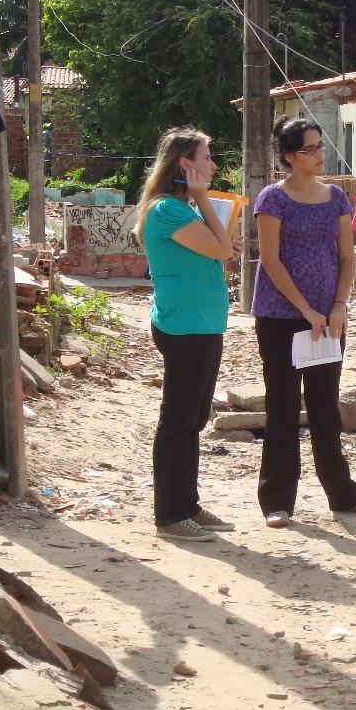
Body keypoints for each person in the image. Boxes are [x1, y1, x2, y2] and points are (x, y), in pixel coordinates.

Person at [250, 117, 356, 528]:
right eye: (309, 149)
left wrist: (339, 305)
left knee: (326, 405)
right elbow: (270, 260)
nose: (319, 154)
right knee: (283, 405)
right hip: (281, 317)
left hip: (329, 318)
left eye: (319, 146)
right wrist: (305, 310)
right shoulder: (273, 199)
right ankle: (278, 500)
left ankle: (343, 494)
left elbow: (347, 256)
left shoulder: (336, 199)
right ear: (289, 156)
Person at [135, 127, 240, 542]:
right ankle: (171, 515)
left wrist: (204, 209)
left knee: (193, 420)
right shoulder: (169, 211)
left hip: (202, 324)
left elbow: (221, 252)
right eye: (207, 156)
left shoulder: (183, 210)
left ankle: (188, 504)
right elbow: (221, 249)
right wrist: (202, 200)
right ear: (186, 164)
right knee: (178, 421)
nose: (212, 164)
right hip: (185, 327)